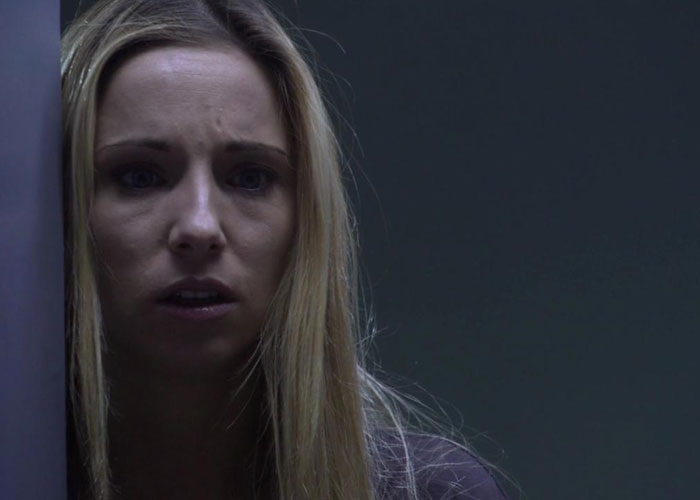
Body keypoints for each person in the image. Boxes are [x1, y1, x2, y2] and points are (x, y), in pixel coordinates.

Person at [62, 0, 509, 498]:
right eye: (139, 176)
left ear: (305, 219)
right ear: (63, 207)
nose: (200, 226)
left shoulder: (431, 491)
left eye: (250, 178)